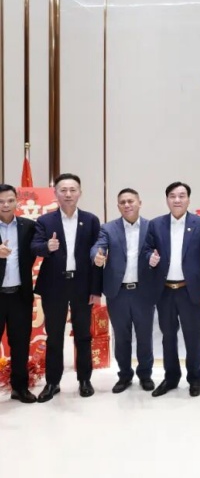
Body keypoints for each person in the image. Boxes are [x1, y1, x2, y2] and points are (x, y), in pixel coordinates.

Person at [32, 173, 103, 402]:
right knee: (54, 336)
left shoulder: (91, 220)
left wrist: (95, 290)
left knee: (83, 335)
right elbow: (35, 246)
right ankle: (52, 383)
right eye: (63, 190)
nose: (68, 194)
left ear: (80, 192)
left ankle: (85, 380)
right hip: (54, 286)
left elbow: (97, 255)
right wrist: (47, 246)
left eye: (73, 189)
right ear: (56, 193)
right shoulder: (45, 221)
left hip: (82, 285)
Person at [142, 181, 200, 398]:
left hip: (190, 291)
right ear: (167, 200)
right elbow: (146, 250)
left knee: (193, 337)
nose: (177, 200)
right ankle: (171, 378)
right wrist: (150, 258)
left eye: (182, 196)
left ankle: (195, 379)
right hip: (164, 291)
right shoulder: (156, 224)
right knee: (168, 337)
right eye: (173, 196)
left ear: (188, 199)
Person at [92, 188, 159, 393]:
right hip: (118, 293)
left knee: (144, 336)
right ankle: (124, 375)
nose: (127, 205)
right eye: (123, 202)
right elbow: (98, 246)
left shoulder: (152, 227)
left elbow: (157, 251)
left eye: (131, 201)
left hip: (143, 292)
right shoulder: (108, 228)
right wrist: (97, 256)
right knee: (121, 337)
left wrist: (155, 259)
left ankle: (145, 375)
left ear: (139, 203)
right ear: (118, 206)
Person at [0, 184, 37, 403]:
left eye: (10, 200)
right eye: (1, 201)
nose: (5, 205)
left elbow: (37, 249)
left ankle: (20, 388)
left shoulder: (28, 226)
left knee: (21, 343)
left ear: (17, 202)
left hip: (20, 296)